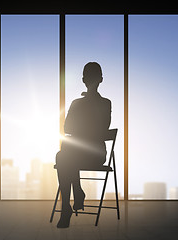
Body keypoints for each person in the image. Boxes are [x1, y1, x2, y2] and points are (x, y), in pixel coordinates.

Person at [55, 62, 111, 228]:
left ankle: (70, 204)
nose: (90, 80)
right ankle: (70, 202)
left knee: (64, 155)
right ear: (84, 80)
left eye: (92, 77)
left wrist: (85, 107)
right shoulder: (77, 103)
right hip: (78, 153)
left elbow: (102, 129)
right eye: (89, 77)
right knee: (65, 155)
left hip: (95, 154)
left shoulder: (104, 103)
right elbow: (67, 128)